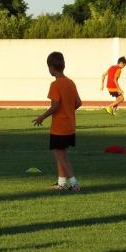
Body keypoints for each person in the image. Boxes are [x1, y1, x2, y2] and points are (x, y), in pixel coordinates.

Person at [32, 52, 82, 192]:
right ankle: (61, 183)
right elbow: (78, 103)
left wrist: (42, 117)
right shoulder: (70, 82)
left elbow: (55, 105)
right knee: (60, 154)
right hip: (70, 126)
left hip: (59, 127)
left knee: (61, 156)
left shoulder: (55, 84)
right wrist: (68, 110)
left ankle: (74, 183)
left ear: (52, 67)